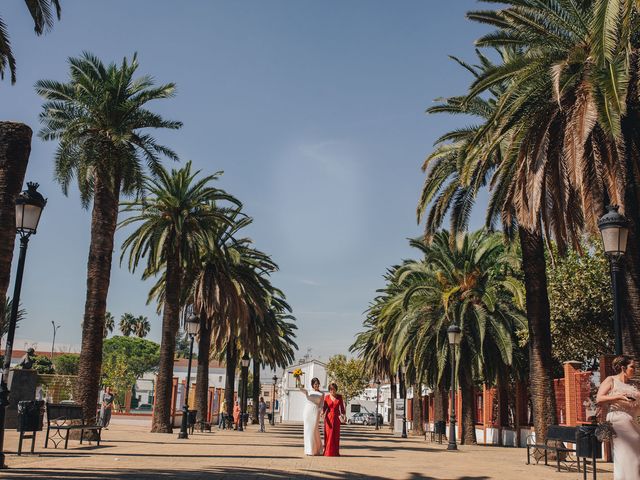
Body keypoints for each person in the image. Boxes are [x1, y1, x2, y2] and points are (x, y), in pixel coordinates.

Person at [596, 355, 640, 479]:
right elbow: (599, 398)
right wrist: (618, 397)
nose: (635, 370)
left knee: (636, 457)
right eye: (632, 367)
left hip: (634, 422)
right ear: (623, 367)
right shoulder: (611, 380)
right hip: (619, 423)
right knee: (625, 456)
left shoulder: (635, 384)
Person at [300, 377, 323, 455]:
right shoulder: (308, 392)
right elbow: (301, 389)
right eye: (315, 384)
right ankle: (309, 450)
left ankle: (317, 449)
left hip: (315, 411)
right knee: (307, 430)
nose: (317, 385)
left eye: (317, 384)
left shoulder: (322, 394)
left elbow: (321, 405)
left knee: (314, 430)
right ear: (312, 385)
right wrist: (298, 378)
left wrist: (321, 413)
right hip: (307, 412)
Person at [322, 382, 345, 457]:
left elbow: (342, 408)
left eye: (334, 389)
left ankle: (335, 452)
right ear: (329, 390)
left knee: (335, 435)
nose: (332, 391)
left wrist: (344, 415)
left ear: (336, 389)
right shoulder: (327, 397)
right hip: (328, 418)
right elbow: (324, 407)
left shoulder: (339, 397)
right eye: (331, 389)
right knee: (329, 434)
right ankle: (327, 452)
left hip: (336, 418)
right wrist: (322, 413)